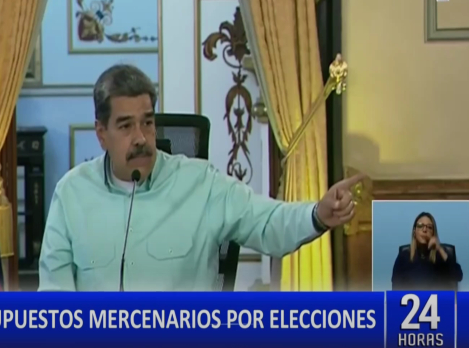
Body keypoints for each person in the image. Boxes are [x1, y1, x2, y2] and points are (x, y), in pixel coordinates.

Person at [38, 64, 364, 291]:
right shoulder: (72, 194)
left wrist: (317, 214)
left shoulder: (201, 184)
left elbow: (267, 223)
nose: (140, 137)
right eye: (125, 126)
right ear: (101, 133)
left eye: (147, 123)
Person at [391, 212, 463, 291]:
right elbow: (395, 289)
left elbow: (458, 276)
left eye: (429, 227)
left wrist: (440, 249)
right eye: (420, 226)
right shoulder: (403, 257)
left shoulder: (440, 256)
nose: (425, 230)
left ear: (433, 233)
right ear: (414, 232)